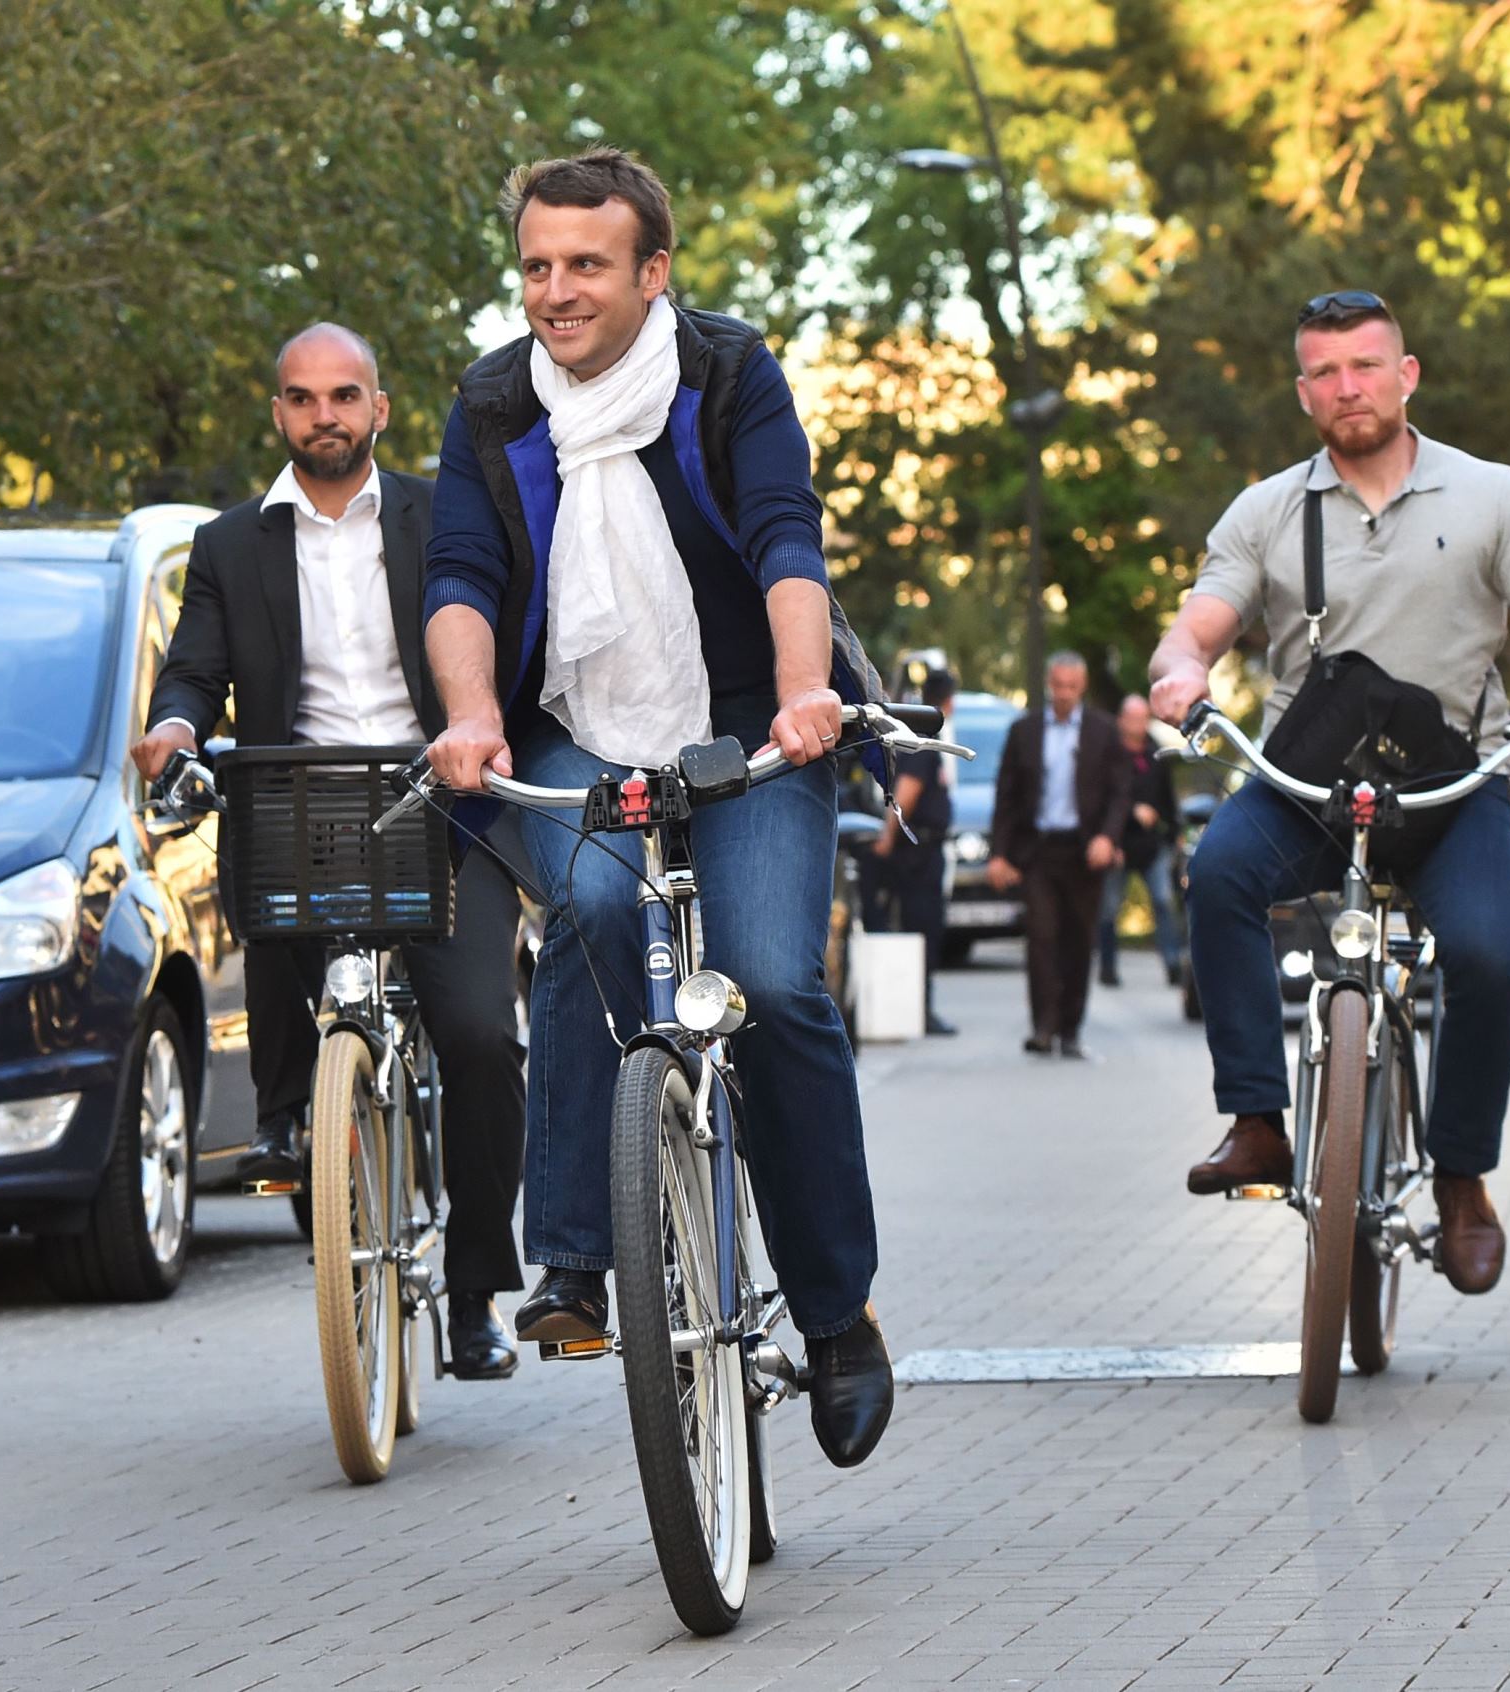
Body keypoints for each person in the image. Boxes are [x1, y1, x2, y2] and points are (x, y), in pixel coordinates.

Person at [419, 146, 895, 1467]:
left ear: (651, 272)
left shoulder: (726, 373)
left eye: (585, 264)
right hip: (573, 728)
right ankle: (573, 1256)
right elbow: (458, 572)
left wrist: (805, 693)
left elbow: (782, 533)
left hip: (746, 724)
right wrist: (468, 716)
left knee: (770, 984)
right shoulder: (494, 400)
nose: (555, 291)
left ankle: (836, 1313)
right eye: (535, 265)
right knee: (582, 904)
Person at [1146, 289, 1510, 1296]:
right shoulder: (1266, 511)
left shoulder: (1490, 494)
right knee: (1217, 872)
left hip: (1453, 786)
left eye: (1365, 364)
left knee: (1487, 955)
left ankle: (1461, 1179)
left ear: (1406, 374)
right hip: (1304, 782)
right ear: (1302, 390)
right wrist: (1177, 673)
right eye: (1324, 371)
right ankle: (1259, 1122)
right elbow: (1198, 627)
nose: (1345, 386)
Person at [134, 323, 527, 1381]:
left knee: (481, 1037)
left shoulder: (443, 513)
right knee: (267, 885)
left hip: (445, 802)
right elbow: (191, 674)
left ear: (379, 409)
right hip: (304, 803)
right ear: (279, 415)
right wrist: (173, 730)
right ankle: (285, 1122)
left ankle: (481, 1286)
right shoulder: (227, 546)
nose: (325, 416)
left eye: (344, 396)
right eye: (303, 400)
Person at [987, 652, 1130, 1059]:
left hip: (1085, 853)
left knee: (1079, 941)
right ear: (1050, 684)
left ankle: (1070, 1029)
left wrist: (1108, 837)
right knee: (1042, 938)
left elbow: (1121, 793)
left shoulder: (1103, 732)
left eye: (1072, 686)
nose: (1064, 693)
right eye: (1058, 685)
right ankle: (1043, 1027)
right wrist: (1000, 853)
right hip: (1039, 852)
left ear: (1081, 687)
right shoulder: (1025, 731)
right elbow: (1007, 797)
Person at [870, 664, 961, 1036]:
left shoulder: (914, 733)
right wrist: (889, 835)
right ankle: (920, 1007)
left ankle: (921, 1005)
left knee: (921, 928)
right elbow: (907, 790)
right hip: (919, 852)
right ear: (949, 701)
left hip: (919, 848)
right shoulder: (924, 742)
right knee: (924, 928)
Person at [1096, 694, 1184, 990]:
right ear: (1122, 720)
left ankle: (1172, 963)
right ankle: (1107, 966)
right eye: (1133, 718)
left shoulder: (1155, 753)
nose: (1138, 724)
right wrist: (1112, 836)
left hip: (1150, 845)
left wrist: (1174, 834)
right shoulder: (1109, 754)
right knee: (1109, 908)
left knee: (1162, 901)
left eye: (1143, 718)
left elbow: (1167, 797)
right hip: (1119, 843)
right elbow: (1101, 800)